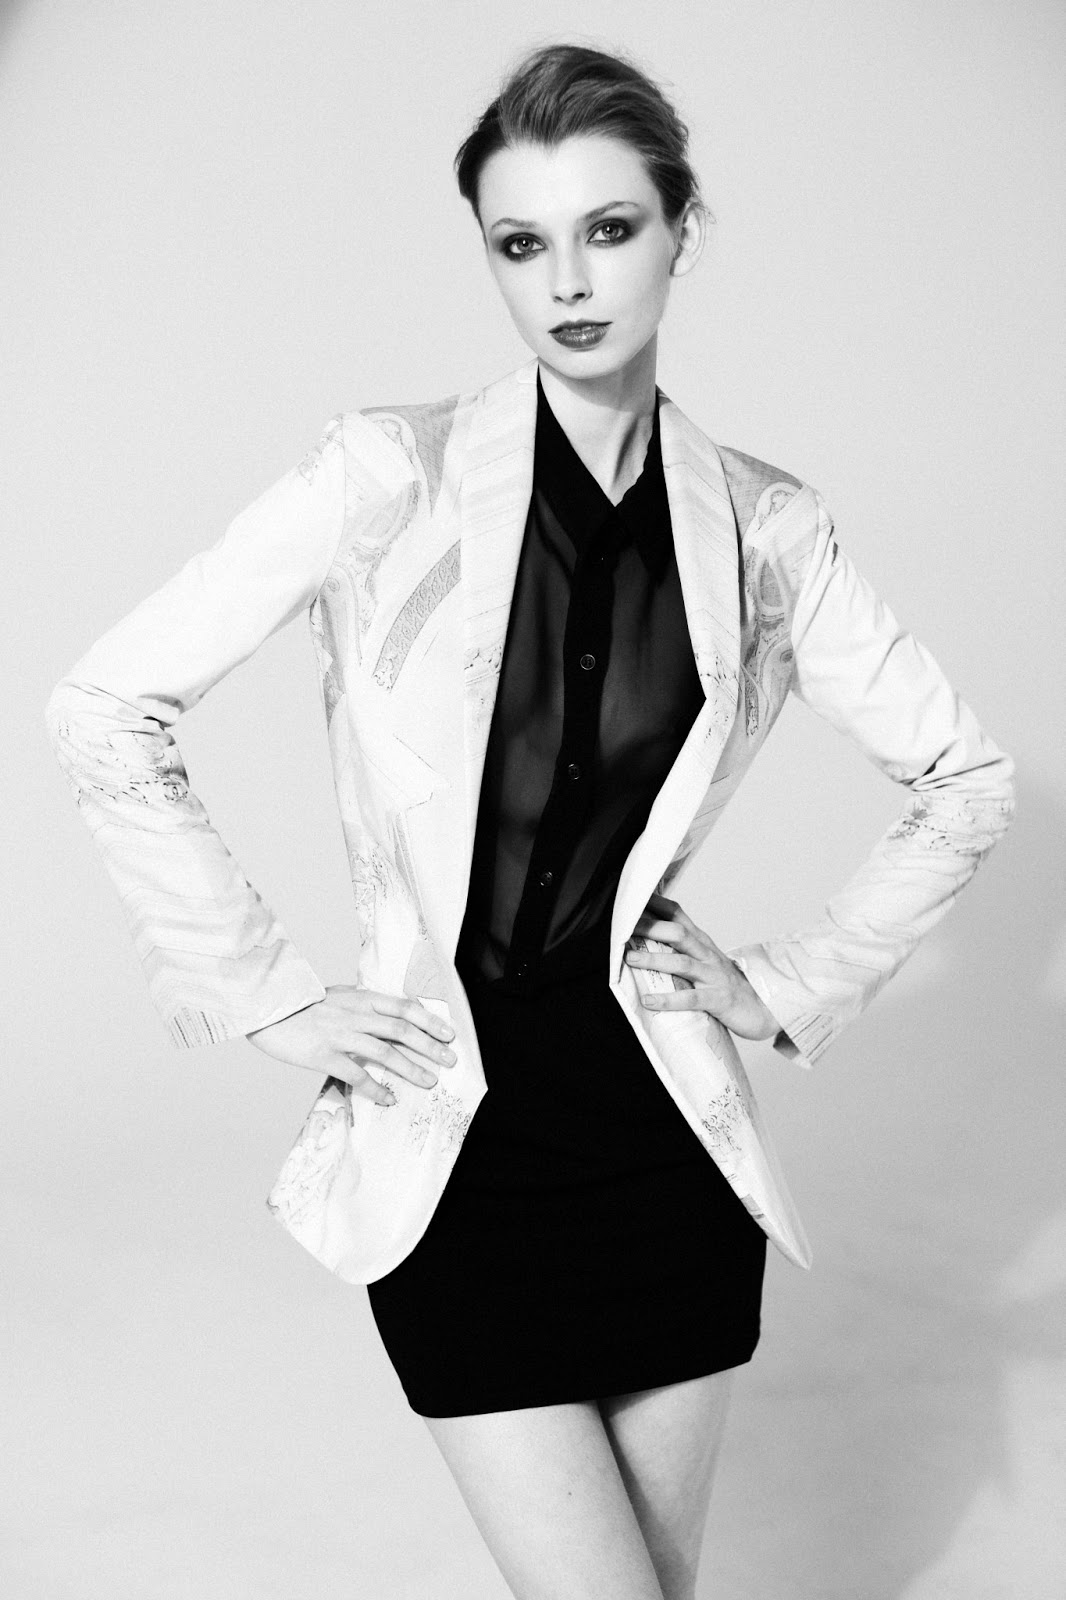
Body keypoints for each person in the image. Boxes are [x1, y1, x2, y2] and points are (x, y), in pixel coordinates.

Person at [44, 40, 1016, 1600]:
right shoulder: (387, 478)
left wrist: (788, 980)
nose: (565, 280)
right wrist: (261, 991)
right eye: (520, 242)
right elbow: (106, 706)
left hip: (663, 1149)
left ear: (680, 234)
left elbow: (963, 778)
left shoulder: (763, 528)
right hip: (453, 1150)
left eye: (608, 230)